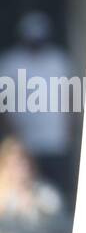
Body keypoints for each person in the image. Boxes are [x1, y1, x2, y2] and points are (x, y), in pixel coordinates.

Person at [0, 12, 73, 195]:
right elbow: (3, 102)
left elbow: (70, 97)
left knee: (58, 189)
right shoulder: (10, 63)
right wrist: (12, 134)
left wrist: (70, 127)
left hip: (55, 140)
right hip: (25, 143)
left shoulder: (58, 60)